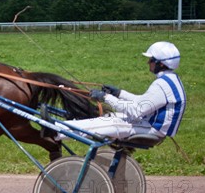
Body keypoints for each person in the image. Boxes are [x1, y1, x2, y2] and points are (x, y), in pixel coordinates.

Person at [56, 41, 186, 142]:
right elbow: (143, 103)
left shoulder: (162, 85)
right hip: (150, 125)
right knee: (109, 117)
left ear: (161, 64)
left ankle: (56, 130)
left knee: (102, 124)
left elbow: (136, 111)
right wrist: (119, 93)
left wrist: (106, 97)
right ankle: (60, 126)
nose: (148, 62)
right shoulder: (170, 80)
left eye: (151, 60)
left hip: (151, 130)